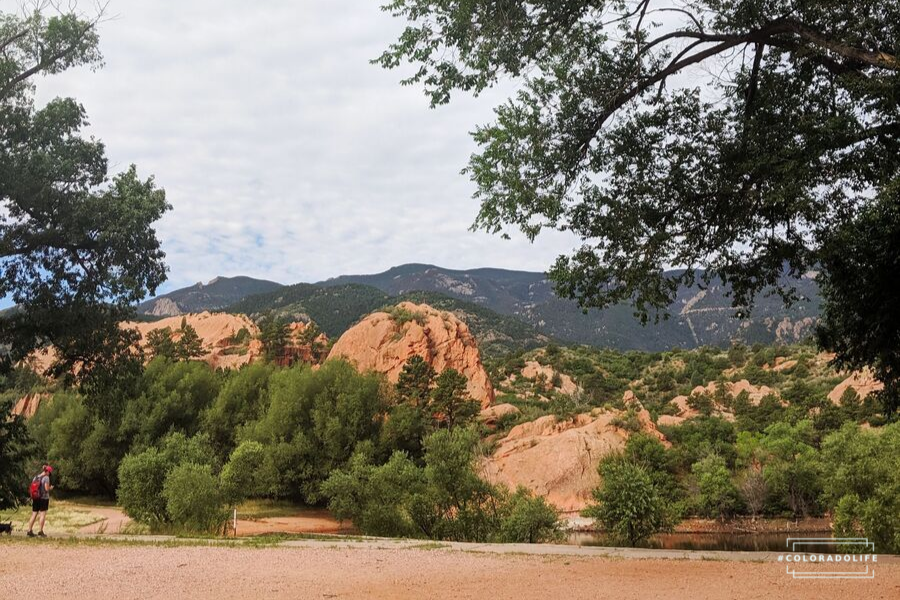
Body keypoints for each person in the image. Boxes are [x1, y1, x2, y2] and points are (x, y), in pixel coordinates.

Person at [27, 465, 53, 538]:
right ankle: (40, 531)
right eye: (50, 473)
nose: (50, 474)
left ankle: (29, 530)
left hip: (35, 498)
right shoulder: (46, 478)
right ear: (47, 471)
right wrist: (50, 488)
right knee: (42, 515)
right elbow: (46, 489)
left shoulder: (36, 477)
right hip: (43, 498)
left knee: (34, 514)